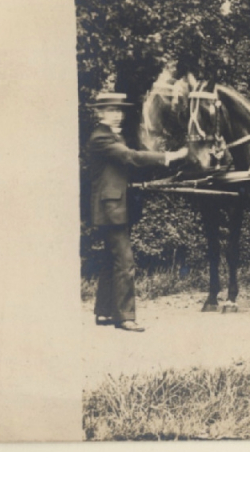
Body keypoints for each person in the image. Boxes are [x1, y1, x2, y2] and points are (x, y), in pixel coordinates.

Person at [88, 92, 188, 332]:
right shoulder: (101, 138)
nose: (117, 115)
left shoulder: (112, 136)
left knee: (110, 260)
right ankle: (125, 317)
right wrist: (169, 156)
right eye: (112, 110)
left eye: (119, 110)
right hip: (110, 208)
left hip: (113, 205)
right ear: (99, 113)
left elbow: (120, 168)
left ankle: (104, 312)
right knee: (125, 261)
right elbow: (130, 157)